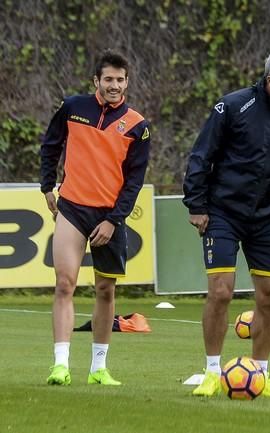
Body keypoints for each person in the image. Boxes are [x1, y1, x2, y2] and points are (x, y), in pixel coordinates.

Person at [183, 47, 270, 398]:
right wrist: (196, 205)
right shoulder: (231, 106)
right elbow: (202, 155)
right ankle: (212, 372)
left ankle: (260, 374)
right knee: (221, 291)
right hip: (223, 213)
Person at [40, 49, 151, 386]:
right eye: (108, 79)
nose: (114, 85)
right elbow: (50, 145)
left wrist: (114, 220)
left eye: (119, 80)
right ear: (97, 81)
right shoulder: (73, 108)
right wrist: (47, 185)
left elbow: (134, 181)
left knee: (105, 290)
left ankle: (98, 368)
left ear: (127, 82)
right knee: (64, 283)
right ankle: (60, 365)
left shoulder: (138, 126)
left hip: (109, 217)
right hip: (72, 207)